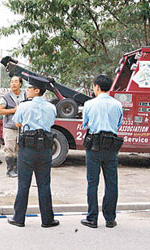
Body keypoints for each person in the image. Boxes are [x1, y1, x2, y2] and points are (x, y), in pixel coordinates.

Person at [7, 75, 59, 228]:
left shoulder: (24, 106)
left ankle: (18, 218)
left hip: (27, 148)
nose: (27, 90)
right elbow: (51, 123)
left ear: (37, 90)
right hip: (45, 149)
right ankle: (48, 220)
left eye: (29, 88)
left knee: (24, 184)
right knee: (44, 184)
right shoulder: (51, 107)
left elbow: (16, 122)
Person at [81, 74, 123, 229]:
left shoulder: (89, 104)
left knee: (93, 182)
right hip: (111, 145)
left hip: (94, 146)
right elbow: (118, 124)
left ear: (97, 87)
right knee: (111, 182)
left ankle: (92, 218)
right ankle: (110, 218)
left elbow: (85, 124)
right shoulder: (117, 105)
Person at [0, 76, 27, 177]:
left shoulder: (26, 96)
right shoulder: (6, 97)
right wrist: (13, 110)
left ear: (20, 84)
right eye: (11, 82)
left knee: (19, 150)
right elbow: (0, 110)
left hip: (23, 127)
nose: (13, 84)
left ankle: (17, 170)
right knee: (10, 148)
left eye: (15, 82)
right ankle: (10, 170)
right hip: (9, 127)